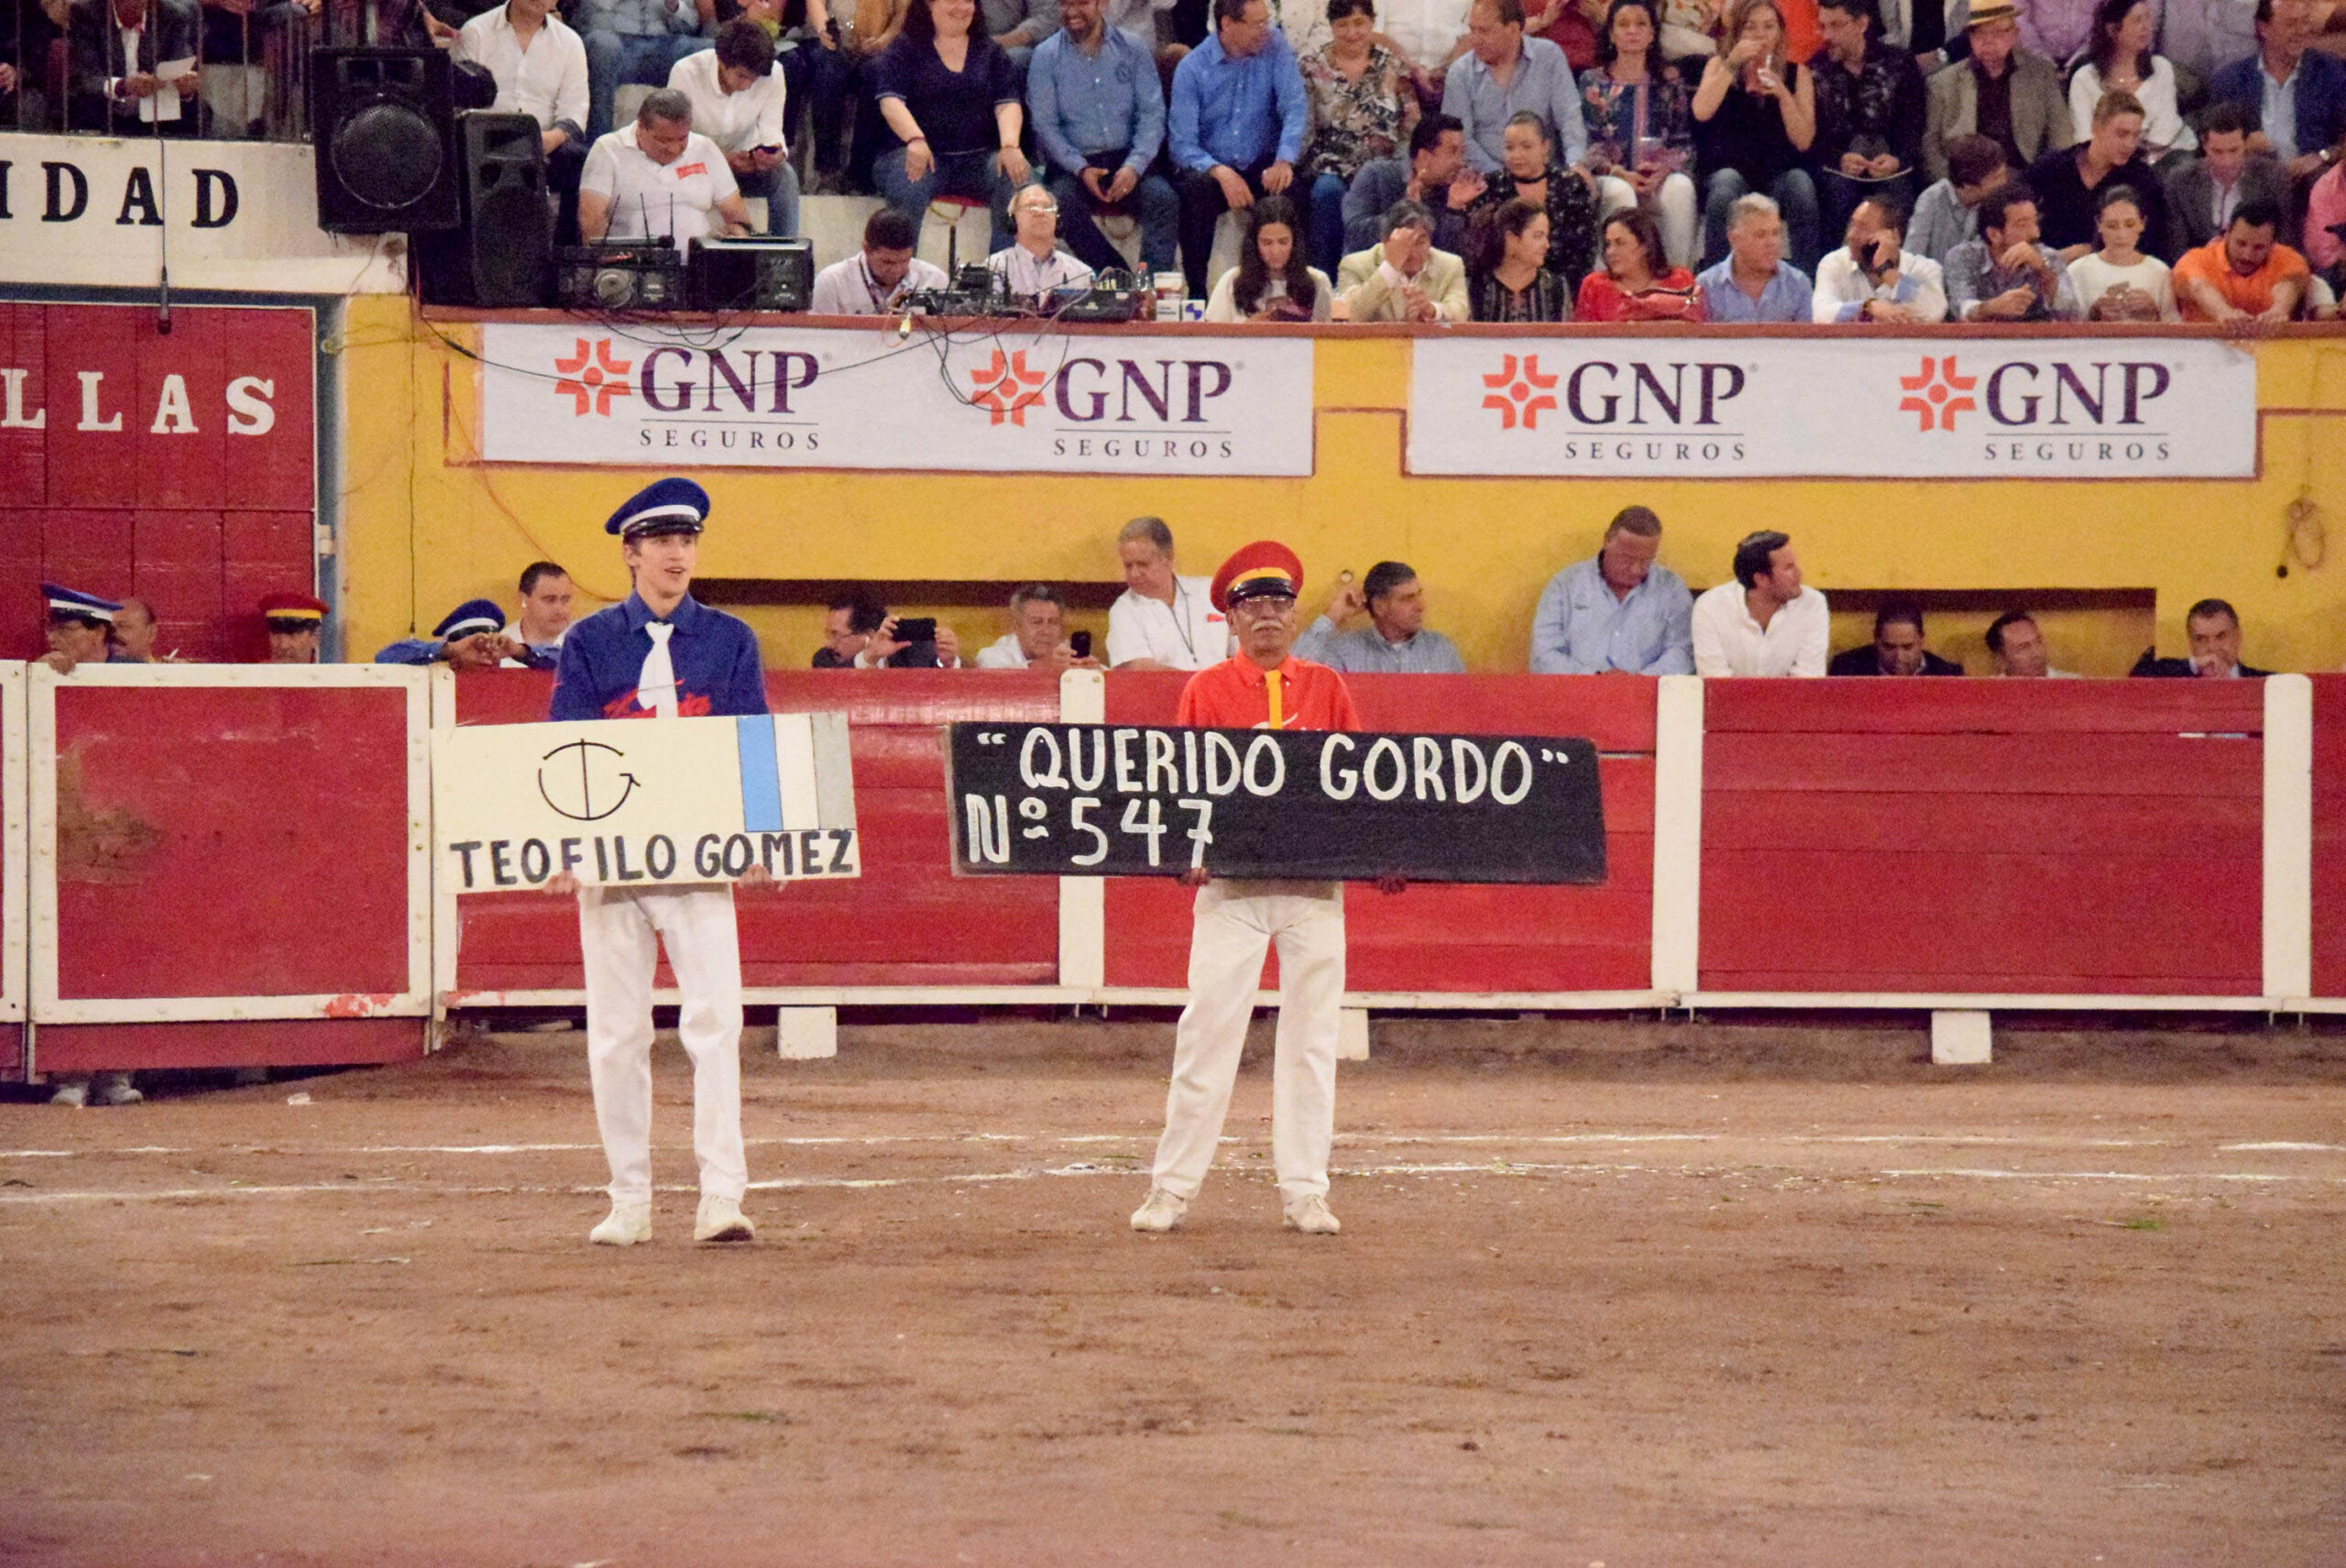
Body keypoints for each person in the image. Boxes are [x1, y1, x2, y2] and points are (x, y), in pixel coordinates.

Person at [1128, 540, 1394, 1240]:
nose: (1268, 616)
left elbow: (1361, 784)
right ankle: (1172, 1188)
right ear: (1233, 618)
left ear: (1294, 612)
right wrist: (1185, 854)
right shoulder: (1205, 689)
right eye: (1253, 606)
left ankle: (1306, 1190)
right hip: (1233, 888)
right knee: (1206, 1036)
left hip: (1313, 888)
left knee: (1311, 1044)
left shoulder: (1327, 687)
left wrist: (1380, 852)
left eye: (1278, 603)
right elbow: (1182, 785)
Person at [547, 477, 771, 1249]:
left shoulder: (732, 638)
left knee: (717, 1025)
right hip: (614, 860)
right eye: (664, 541)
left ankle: (721, 1197)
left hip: (701, 856)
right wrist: (569, 845)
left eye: (689, 540)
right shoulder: (589, 641)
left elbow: (754, 739)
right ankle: (630, 1200)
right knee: (616, 1033)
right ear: (633, 553)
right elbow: (564, 748)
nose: (680, 553)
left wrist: (764, 834)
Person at [1026, 0, 1179, 277]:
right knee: (1059, 203)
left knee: (1164, 199)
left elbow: (1152, 114)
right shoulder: (1045, 56)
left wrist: (1135, 166)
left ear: (1103, 5)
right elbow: (1045, 126)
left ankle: (1152, 288)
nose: (1072, 12)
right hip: (1074, 163)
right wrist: (1080, 168)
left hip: (1128, 157)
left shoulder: (1133, 48)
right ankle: (1116, 276)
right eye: (1064, 5)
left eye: (1082, 3)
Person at [1168, 0, 1309, 300]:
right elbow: (1181, 143)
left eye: (1266, 22)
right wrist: (1221, 173)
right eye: (1256, 24)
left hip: (1263, 163)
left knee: (1295, 189)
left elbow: (1294, 107)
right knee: (1195, 191)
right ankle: (1197, 294)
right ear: (1227, 24)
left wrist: (1284, 159)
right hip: (1213, 167)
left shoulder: (1275, 46)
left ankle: (1297, 293)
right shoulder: (1192, 68)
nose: (1265, 31)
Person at [874, 0, 1027, 256]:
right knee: (911, 178)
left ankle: (1004, 278)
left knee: (1018, 176)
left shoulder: (991, 52)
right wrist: (915, 139)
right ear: (929, 5)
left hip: (976, 160)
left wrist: (1010, 145)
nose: (961, 7)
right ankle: (903, 278)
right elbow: (891, 102)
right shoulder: (903, 48)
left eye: (967, 1)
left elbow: (1008, 104)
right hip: (917, 155)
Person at [1692, 0, 1819, 269]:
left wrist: (1783, 93)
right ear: (1737, 32)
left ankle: (1806, 285)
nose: (1760, 34)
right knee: (1726, 185)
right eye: (1750, 27)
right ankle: (1714, 286)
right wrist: (1733, 62)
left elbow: (1804, 140)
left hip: (1777, 173)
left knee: (1801, 184)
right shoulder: (1719, 65)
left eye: (1768, 27)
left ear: (1780, 33)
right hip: (1729, 169)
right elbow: (1701, 111)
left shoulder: (1799, 73)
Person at [453, 0, 592, 241]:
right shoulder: (476, 31)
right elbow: (459, 99)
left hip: (543, 139)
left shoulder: (570, 42)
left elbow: (575, 109)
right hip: (484, 137)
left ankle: (562, 257)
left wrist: (551, 139)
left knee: (577, 159)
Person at [1300, 0, 1420, 271]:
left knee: (1394, 193)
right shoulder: (1311, 66)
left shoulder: (1392, 65)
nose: (1352, 32)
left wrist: (1408, 167)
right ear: (1331, 26)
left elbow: (1411, 123)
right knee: (1326, 193)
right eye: (1342, 24)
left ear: (1372, 22)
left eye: (1359, 23)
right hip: (1331, 166)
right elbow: (1305, 127)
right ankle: (1327, 283)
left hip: (1382, 167)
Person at [1579, 0, 1697, 266]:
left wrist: (1663, 171)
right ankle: (1614, 281)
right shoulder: (1593, 81)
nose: (1632, 30)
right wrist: (1618, 172)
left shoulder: (1669, 81)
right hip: (1611, 177)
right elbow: (1587, 143)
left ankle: (1676, 281)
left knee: (1681, 187)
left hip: (1656, 177)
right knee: (1621, 192)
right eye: (1623, 24)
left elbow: (1683, 142)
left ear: (1652, 34)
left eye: (1641, 24)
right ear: (1611, 33)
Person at [668, 20, 804, 236]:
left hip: (744, 166)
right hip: (695, 168)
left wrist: (774, 154)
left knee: (785, 176)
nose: (748, 84)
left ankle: (784, 255)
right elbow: (675, 139)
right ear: (721, 61)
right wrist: (721, 158)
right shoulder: (686, 72)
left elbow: (772, 130)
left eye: (755, 78)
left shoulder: (774, 73)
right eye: (742, 76)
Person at [1808, 0, 1926, 241]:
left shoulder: (1900, 63)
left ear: (1861, 23)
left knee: (1896, 194)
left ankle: (1896, 272)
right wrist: (1838, 158)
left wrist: (1897, 158)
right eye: (1823, 26)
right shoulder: (1815, 69)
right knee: (1837, 191)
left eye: (1836, 25)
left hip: (1891, 167)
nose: (1827, 35)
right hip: (1837, 169)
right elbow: (1813, 136)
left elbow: (1914, 124)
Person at [1528, 505, 1694, 674]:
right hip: (1575, 694)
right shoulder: (1565, 586)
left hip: (1649, 695)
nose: (1636, 569)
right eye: (1627, 559)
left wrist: (1639, 681)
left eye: (1646, 561)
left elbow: (1683, 654)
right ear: (1607, 540)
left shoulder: (1672, 589)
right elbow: (1544, 655)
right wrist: (1595, 679)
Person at [579, 89, 755, 247]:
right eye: (664, 140)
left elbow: (737, 216)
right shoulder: (608, 148)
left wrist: (740, 233)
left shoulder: (705, 148)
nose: (674, 149)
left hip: (700, 267)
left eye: (682, 139)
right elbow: (590, 218)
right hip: (633, 266)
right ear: (641, 127)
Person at [1919, 0, 2068, 183]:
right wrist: (1954, 187)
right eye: (1979, 33)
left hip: (2026, 177)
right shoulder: (1943, 83)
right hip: (1966, 183)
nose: (1988, 42)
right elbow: (1930, 147)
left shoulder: (2040, 73)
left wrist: (2042, 181)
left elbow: (2061, 137)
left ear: (2015, 34)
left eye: (1998, 32)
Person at [2206, 0, 2346, 189]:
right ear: (2263, 28)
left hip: (2313, 179)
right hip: (2252, 182)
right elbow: (2212, 142)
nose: (2301, 31)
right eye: (2291, 24)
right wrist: (2244, 148)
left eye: (2305, 22)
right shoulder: (2231, 81)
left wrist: (2322, 156)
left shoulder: (2331, 73)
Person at [1444, 0, 1590, 178]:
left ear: (1513, 29)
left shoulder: (1549, 57)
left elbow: (1570, 118)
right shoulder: (1460, 72)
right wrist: (1501, 178)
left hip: (1547, 176)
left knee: (1616, 191)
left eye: (1484, 31)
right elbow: (1460, 140)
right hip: (1484, 180)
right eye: (1472, 30)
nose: (1475, 40)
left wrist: (1576, 164)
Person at [2025, 88, 2171, 260]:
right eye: (2122, 134)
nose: (2130, 144)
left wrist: (2094, 251)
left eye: (2136, 135)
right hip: (2048, 267)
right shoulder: (2051, 168)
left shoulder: (2142, 181)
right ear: (2096, 128)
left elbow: (2154, 243)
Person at [1468, 107, 1603, 287]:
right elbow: (1481, 251)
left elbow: (1585, 250)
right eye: (1509, 147)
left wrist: (1559, 290)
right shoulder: (1491, 187)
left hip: (1564, 286)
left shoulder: (1571, 185)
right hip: (1502, 287)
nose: (1516, 155)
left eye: (1526, 146)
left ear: (1544, 147)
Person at [1689, 529, 1827, 677]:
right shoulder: (1710, 607)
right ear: (1761, 579)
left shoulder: (1813, 604)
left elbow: (1808, 679)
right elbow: (1715, 681)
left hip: (1792, 700)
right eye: (1788, 568)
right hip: (1729, 700)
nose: (1799, 574)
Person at [1343, 111, 1486, 254]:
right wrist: (1405, 211)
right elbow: (1356, 236)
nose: (1461, 162)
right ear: (1424, 156)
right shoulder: (1376, 175)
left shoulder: (1455, 189)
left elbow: (1446, 257)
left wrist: (1453, 209)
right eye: (1453, 152)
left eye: (1462, 153)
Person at [2067, 0, 2192, 160]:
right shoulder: (2084, 79)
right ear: (2112, 30)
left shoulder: (2161, 68)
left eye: (2147, 18)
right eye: (2137, 21)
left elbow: (2165, 129)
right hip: (2103, 161)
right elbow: (2084, 137)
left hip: (2160, 157)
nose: (2146, 27)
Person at [1292, 560, 1468, 672]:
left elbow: (1461, 709)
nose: (1420, 606)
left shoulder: (1440, 650)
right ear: (1379, 607)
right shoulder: (1346, 652)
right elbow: (1296, 674)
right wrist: (1333, 615)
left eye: (1419, 595)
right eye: (1407, 599)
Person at [2166, 103, 2293, 256]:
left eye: (2234, 150)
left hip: (2258, 263)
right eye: (2217, 152)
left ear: (2246, 143)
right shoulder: (2181, 181)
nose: (2226, 161)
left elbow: (2284, 239)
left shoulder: (2272, 177)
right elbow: (2176, 245)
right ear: (2204, 145)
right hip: (2201, 265)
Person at [1106, 516, 1229, 669]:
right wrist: (1200, 686)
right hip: (1164, 692)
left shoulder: (1209, 591)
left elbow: (1244, 649)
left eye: (1143, 564)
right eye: (1128, 565)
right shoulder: (1123, 610)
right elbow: (1139, 670)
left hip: (1223, 689)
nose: (1134, 573)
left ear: (1168, 558)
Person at [574, 0, 706, 142]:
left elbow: (691, 26)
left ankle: (697, 149)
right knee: (604, 46)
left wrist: (674, 6)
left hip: (662, 45)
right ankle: (596, 147)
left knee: (707, 51)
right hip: (615, 43)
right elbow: (584, 15)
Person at [1944, 179, 2080, 316]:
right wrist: (1991, 307)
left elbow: (2071, 316)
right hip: (1978, 337)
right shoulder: (1964, 257)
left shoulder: (2048, 258)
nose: (2035, 233)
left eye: (2035, 222)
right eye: (2022, 225)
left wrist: (2043, 272)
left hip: (2032, 337)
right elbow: (1961, 309)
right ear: (1994, 235)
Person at [66, 0, 202, 135]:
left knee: (200, 111)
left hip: (156, 108)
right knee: (85, 106)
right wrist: (124, 86)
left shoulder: (173, 15)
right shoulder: (85, 13)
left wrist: (185, 86)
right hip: (106, 108)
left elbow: (181, 61)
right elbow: (83, 79)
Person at [1812, 193, 1949, 317]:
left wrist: (1887, 271)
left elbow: (1934, 312)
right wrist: (1867, 307)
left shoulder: (1925, 268)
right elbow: (1821, 313)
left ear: (1893, 235)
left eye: (1863, 228)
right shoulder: (1834, 263)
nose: (1851, 236)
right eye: (1852, 225)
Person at [2173, 196, 2310, 317]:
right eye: (2241, 243)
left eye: (2259, 247)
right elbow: (2199, 287)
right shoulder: (2195, 259)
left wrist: (2278, 311)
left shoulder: (2289, 258)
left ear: (2273, 244)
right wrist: (2224, 313)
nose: (2247, 256)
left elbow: (2289, 285)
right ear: (2227, 234)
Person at [1338, 197, 1475, 315]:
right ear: (1385, 239)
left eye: (1420, 242)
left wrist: (1432, 310)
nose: (1413, 252)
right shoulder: (1354, 265)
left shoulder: (1450, 264)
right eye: (1405, 243)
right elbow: (1350, 314)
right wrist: (1391, 267)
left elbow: (1460, 312)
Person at [1204, 192, 1336, 315]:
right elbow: (1212, 335)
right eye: (1267, 243)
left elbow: (1329, 335)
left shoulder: (1318, 281)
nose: (1275, 251)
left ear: (1295, 242)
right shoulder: (1232, 281)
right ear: (1254, 243)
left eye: (1283, 242)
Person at [808, 204, 950, 311]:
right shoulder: (833, 282)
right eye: (887, 262)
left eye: (905, 260)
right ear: (866, 249)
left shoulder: (934, 281)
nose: (897, 270)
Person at [2070, 181, 2178, 316]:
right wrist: (2094, 315)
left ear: (2142, 224)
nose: (2121, 235)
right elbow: (2063, 327)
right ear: (2099, 225)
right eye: (2112, 226)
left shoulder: (2159, 272)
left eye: (2130, 225)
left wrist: (2153, 313)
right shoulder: (2078, 271)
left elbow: (2173, 326)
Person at [1576, 203, 1705, 313]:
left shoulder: (1681, 281)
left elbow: (1696, 329)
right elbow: (1582, 338)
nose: (1610, 252)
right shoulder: (1595, 286)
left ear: (1645, 246)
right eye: (1608, 244)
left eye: (1620, 243)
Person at [988, 181, 1100, 302]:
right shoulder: (995, 267)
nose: (1040, 212)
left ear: (1058, 220)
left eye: (1047, 207)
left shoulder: (1081, 273)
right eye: (1031, 207)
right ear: (1013, 220)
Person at [1907, 132, 2007, 262]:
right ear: (1968, 185)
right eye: (1995, 178)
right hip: (1935, 279)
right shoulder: (1931, 199)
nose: (2004, 182)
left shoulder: (2002, 200)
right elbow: (1911, 258)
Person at [1465, 194, 1573, 314]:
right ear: (1511, 239)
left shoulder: (1557, 288)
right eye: (1538, 236)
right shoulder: (1475, 288)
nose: (1547, 245)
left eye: (1546, 236)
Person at [2130, 597, 2272, 676]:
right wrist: (2194, 665)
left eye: (2221, 636)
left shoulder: (2266, 683)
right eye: (2201, 639)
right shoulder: (2176, 678)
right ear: (2191, 642)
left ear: (2238, 636)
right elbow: (2136, 679)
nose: (2212, 647)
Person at [375, 600, 532, 670]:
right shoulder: (438, 687)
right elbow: (385, 657)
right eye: (476, 649)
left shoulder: (513, 678)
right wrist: (448, 650)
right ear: (454, 662)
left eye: (492, 649)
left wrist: (518, 651)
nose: (487, 659)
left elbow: (554, 660)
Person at [975, 584, 1102, 668]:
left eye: (1052, 622)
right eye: (1037, 622)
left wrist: (1094, 673)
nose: (1045, 631)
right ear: (1016, 626)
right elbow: (1000, 684)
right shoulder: (991, 656)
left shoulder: (1068, 654)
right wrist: (1044, 666)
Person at [1826, 603, 1964, 674]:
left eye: (1907, 647)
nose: (1898, 657)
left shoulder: (1947, 674)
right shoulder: (1846, 669)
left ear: (1922, 640)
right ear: (1876, 640)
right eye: (1889, 647)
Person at [38, 583, 132, 675]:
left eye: (65, 629)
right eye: (50, 629)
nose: (51, 638)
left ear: (99, 632)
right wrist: (40, 672)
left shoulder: (132, 673)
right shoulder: (50, 669)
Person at [508, 561, 576, 667]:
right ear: (524, 599)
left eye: (565, 600)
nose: (560, 609)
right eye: (550, 600)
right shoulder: (501, 652)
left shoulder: (586, 644)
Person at [1985, 608, 2079, 676]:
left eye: (2038, 642)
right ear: (2001, 659)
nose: (2037, 653)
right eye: (2023, 647)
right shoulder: (1989, 693)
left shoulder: (2074, 685)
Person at [258, 592, 326, 663]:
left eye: (293, 635)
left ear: (315, 637)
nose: (283, 645)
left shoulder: (331, 674)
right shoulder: (254, 674)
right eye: (276, 635)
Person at [110, 597, 163, 663]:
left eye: (123, 626)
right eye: (110, 627)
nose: (113, 633)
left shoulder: (170, 672)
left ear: (151, 633)